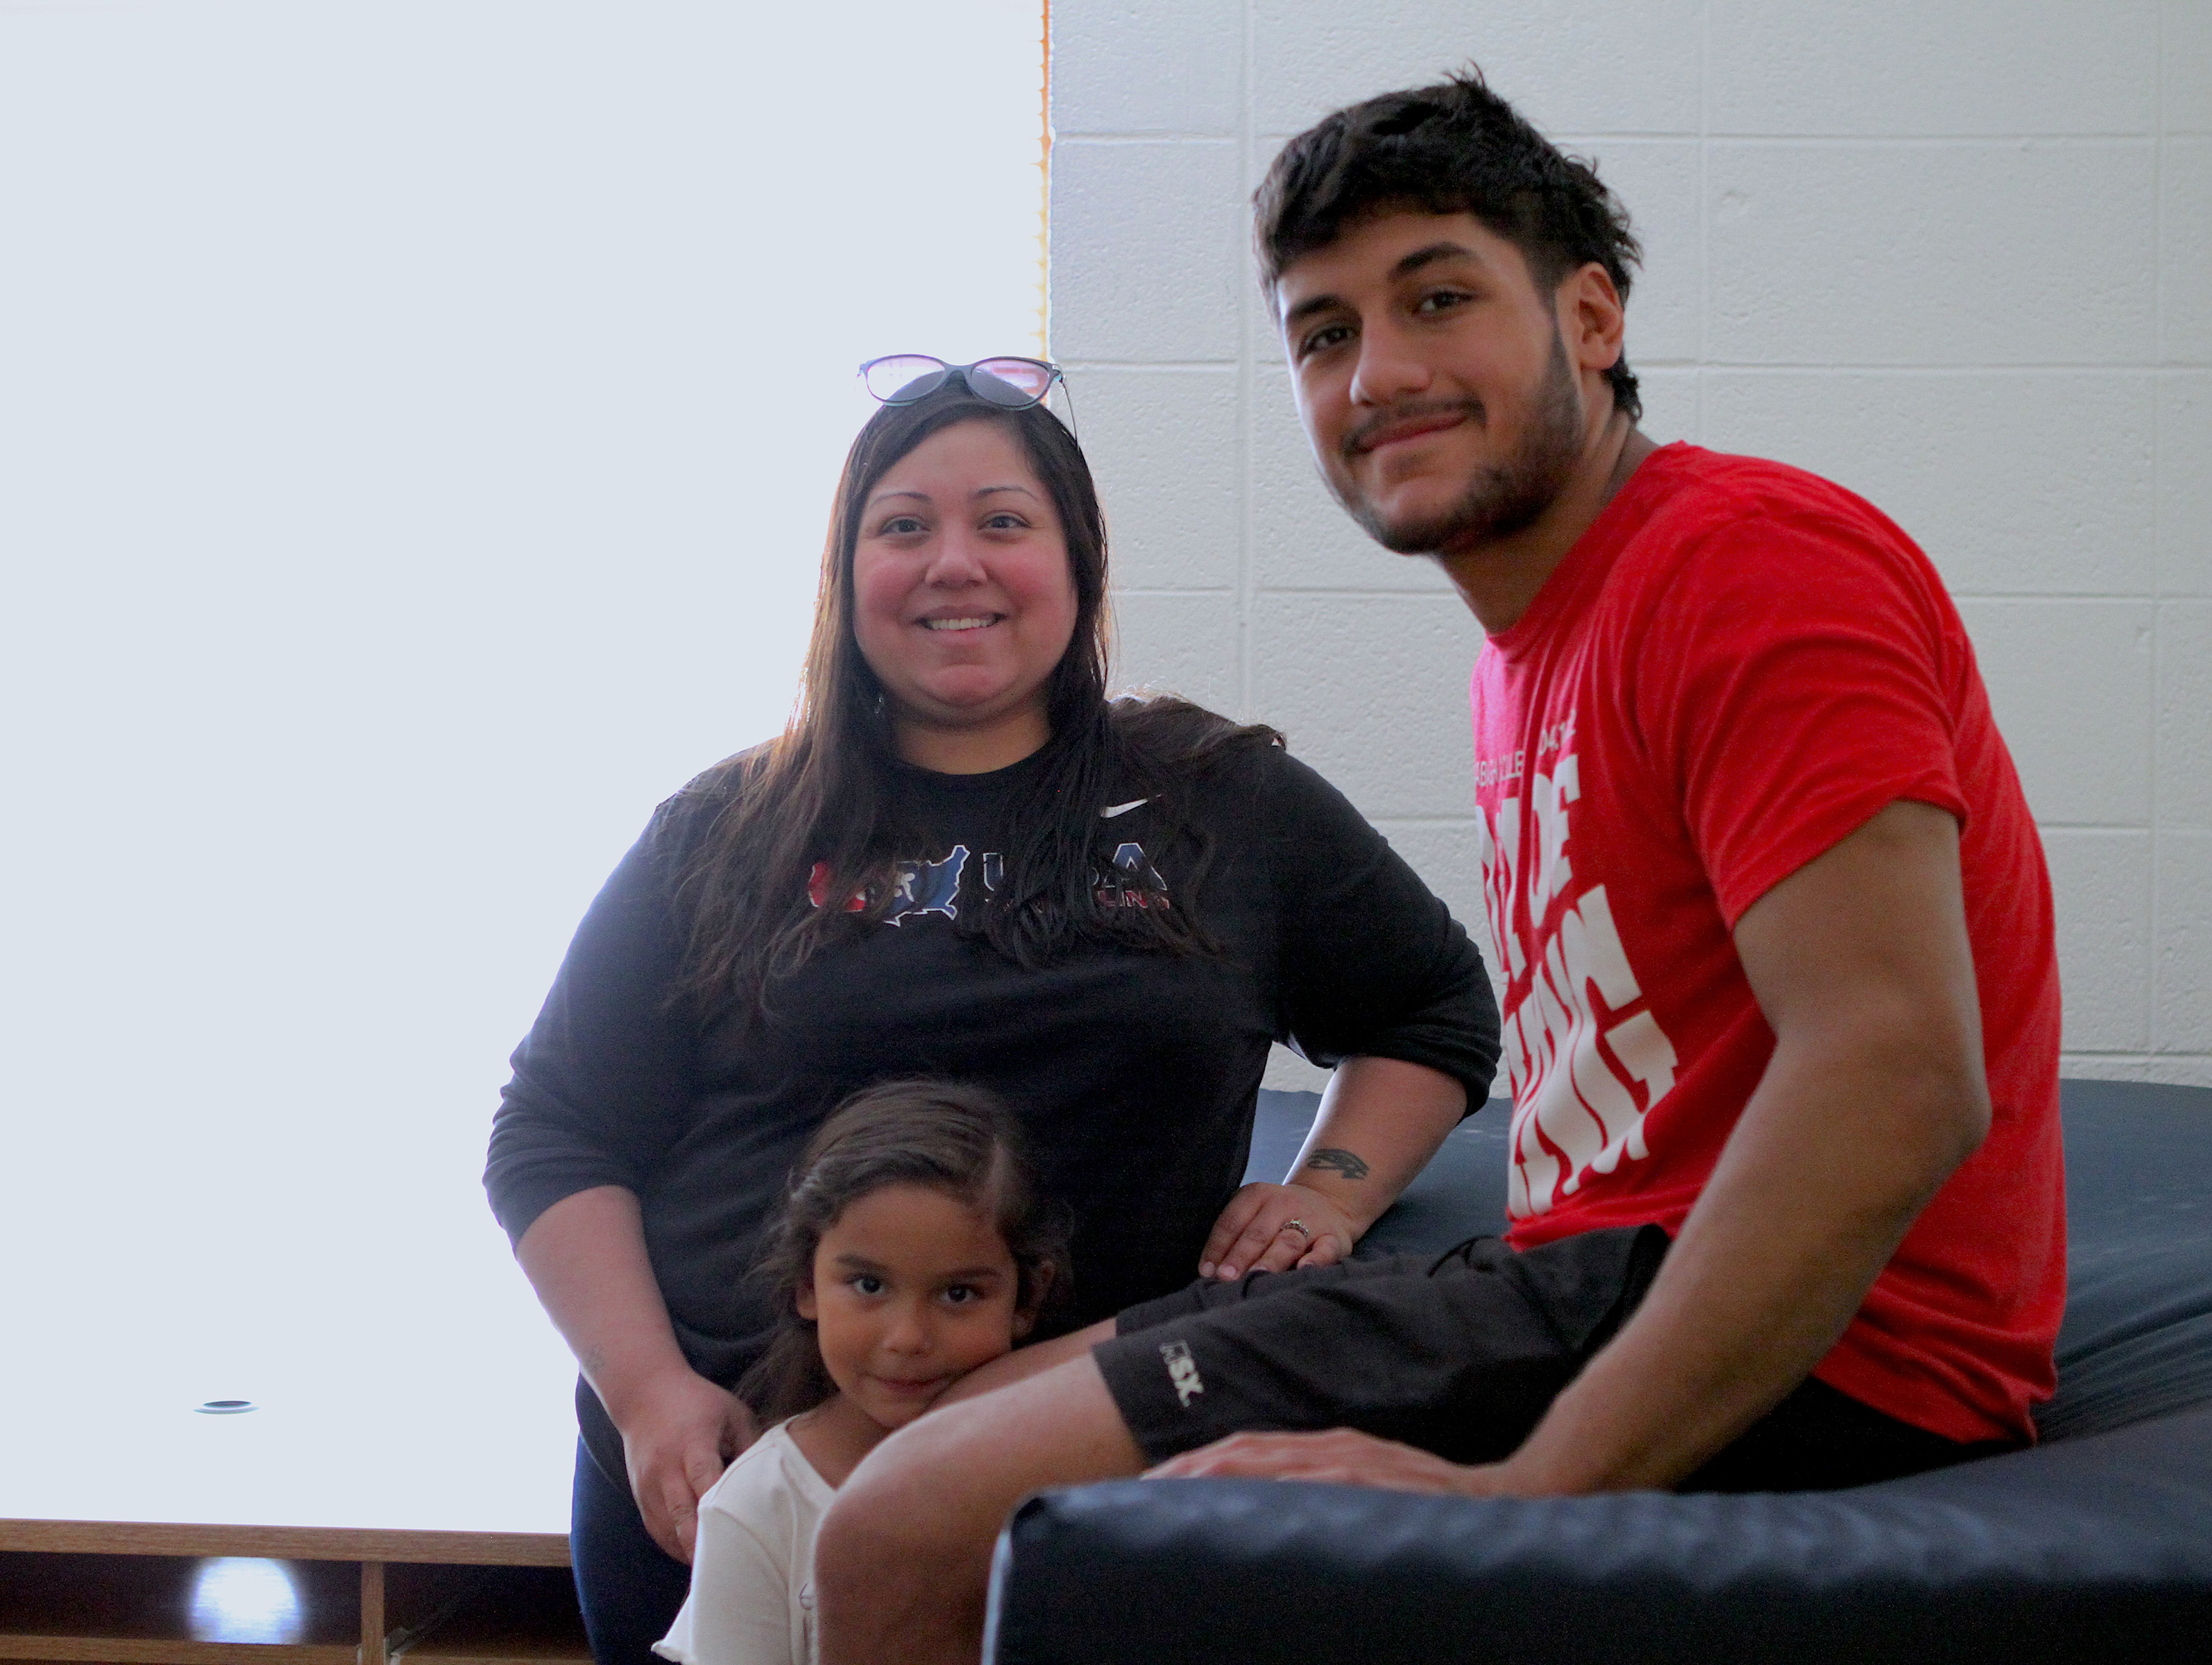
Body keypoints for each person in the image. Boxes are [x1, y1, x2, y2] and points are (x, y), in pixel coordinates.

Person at [813, 76, 2066, 1665]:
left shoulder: (1745, 564)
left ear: (1591, 314)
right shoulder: (1530, 651)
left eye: (1438, 298)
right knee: (908, 1425)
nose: (1379, 372)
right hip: (1572, 1275)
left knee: (902, 1528)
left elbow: (1894, 1073)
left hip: (1841, 1357)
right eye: (1325, 331)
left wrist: (1531, 1489)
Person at [482, 357, 1500, 1665]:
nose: (952, 562)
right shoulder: (725, 826)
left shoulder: (1221, 801)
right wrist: (647, 1396)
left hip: (1093, 1484)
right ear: (848, 578)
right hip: (736, 1481)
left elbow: (1433, 1010)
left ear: (1076, 566)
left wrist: (1336, 1190)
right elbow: (555, 1132)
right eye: (903, 526)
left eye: (1003, 522)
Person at [652, 1078, 1068, 1665]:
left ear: (1026, 1298)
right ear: (806, 1285)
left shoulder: (1068, 1480)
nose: (908, 1339)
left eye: (958, 1294)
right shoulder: (758, 1508)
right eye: (869, 1285)